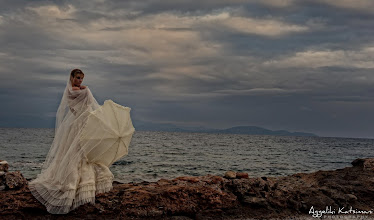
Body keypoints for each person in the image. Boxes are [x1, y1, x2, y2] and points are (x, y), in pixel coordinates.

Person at [29, 69, 116, 214]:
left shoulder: (74, 90)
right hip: (80, 123)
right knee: (78, 150)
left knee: (82, 151)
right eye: (77, 78)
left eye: (81, 78)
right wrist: (86, 89)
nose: (80, 81)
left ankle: (83, 182)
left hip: (83, 121)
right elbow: (85, 96)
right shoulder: (76, 90)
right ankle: (75, 185)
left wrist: (84, 89)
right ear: (72, 77)